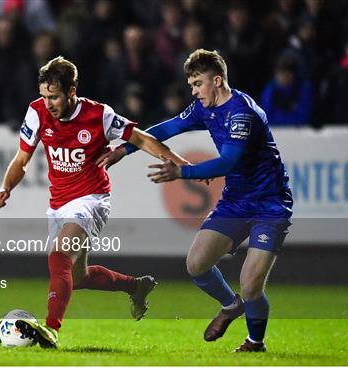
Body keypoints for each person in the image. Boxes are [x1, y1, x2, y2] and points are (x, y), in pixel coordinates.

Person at [97, 49, 293, 352]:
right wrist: (124, 149)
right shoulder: (205, 107)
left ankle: (255, 343)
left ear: (217, 80)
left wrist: (182, 172)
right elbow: (167, 128)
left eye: (197, 84)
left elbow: (227, 163)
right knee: (197, 264)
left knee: (251, 284)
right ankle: (230, 305)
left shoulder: (241, 113)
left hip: (270, 204)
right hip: (236, 201)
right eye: (190, 84)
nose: (193, 91)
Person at [0, 56, 188, 348]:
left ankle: (51, 328)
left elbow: (143, 139)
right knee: (78, 276)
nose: (49, 103)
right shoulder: (36, 112)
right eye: (45, 96)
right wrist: (6, 187)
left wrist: (181, 164)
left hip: (91, 199)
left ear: (72, 92)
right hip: (58, 204)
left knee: (59, 257)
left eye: (55, 97)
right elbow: (22, 159)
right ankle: (136, 286)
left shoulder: (99, 114)